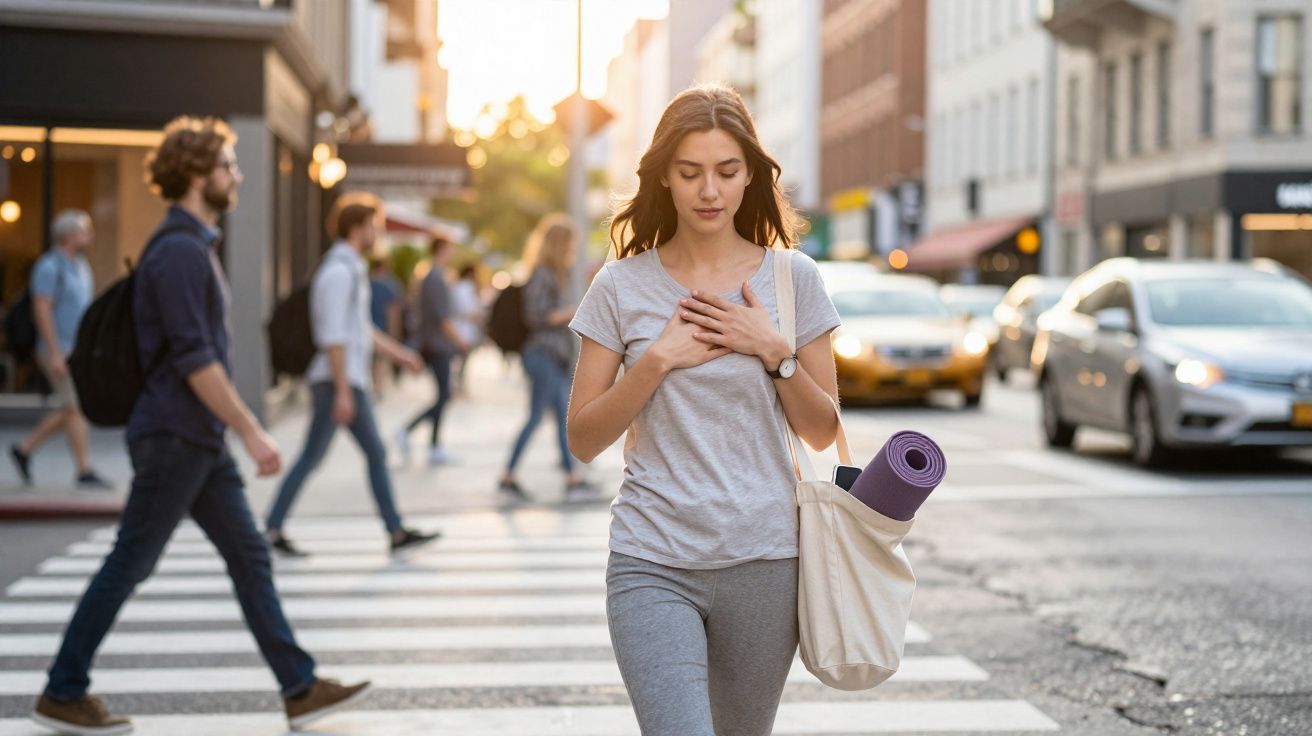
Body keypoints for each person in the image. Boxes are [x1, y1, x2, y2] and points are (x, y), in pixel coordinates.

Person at [31, 116, 369, 736]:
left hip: (194, 439)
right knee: (131, 561)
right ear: (195, 174)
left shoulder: (190, 246)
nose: (236, 176)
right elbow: (194, 359)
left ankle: (298, 686)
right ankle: (63, 688)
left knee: (249, 557)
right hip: (177, 436)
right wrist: (250, 428)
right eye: (227, 166)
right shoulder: (181, 253)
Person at [565, 85, 843, 735]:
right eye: (690, 173)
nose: (709, 190)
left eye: (726, 171)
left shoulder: (793, 280)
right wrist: (657, 361)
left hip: (766, 561)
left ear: (752, 174)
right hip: (652, 558)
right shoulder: (621, 285)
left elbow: (824, 430)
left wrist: (775, 353)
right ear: (665, 175)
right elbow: (581, 438)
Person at [265, 193, 438, 558]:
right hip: (335, 380)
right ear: (358, 228)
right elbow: (333, 335)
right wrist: (343, 390)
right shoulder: (338, 272)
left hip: (344, 380)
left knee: (338, 454)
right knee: (337, 455)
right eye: (374, 226)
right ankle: (392, 531)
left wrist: (400, 354)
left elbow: (360, 328)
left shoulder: (351, 269)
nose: (379, 233)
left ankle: (392, 530)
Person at [9, 209, 112, 490]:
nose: (89, 236)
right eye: (84, 230)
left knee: (71, 407)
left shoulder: (79, 265)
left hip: (76, 349)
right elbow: (41, 309)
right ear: (69, 235)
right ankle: (83, 469)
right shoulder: (49, 266)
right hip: (56, 348)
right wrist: (54, 351)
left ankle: (24, 449)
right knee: (76, 407)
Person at [498, 214, 594, 502]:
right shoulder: (542, 274)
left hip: (551, 357)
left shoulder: (551, 274)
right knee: (537, 417)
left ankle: (572, 476)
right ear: (559, 244)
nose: (574, 250)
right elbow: (536, 316)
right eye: (571, 244)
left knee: (561, 418)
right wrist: (571, 311)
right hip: (542, 355)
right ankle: (509, 474)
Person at [396, 236, 469, 465]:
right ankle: (410, 432)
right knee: (444, 395)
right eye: (450, 250)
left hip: (434, 343)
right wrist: (460, 341)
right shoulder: (434, 278)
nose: (453, 254)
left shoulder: (430, 276)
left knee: (443, 395)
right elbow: (442, 318)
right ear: (441, 249)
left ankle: (432, 444)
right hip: (437, 345)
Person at [449, 260, 486, 395]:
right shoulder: (464, 288)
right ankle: (456, 385)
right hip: (462, 330)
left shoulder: (464, 288)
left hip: (466, 330)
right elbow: (465, 310)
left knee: (462, 360)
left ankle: (458, 384)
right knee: (460, 359)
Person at [368, 256, 403, 395]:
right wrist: (395, 331)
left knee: (372, 359)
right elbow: (393, 311)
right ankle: (379, 387)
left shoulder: (367, 283)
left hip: (369, 327)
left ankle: (375, 384)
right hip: (382, 327)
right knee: (381, 359)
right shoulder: (389, 285)